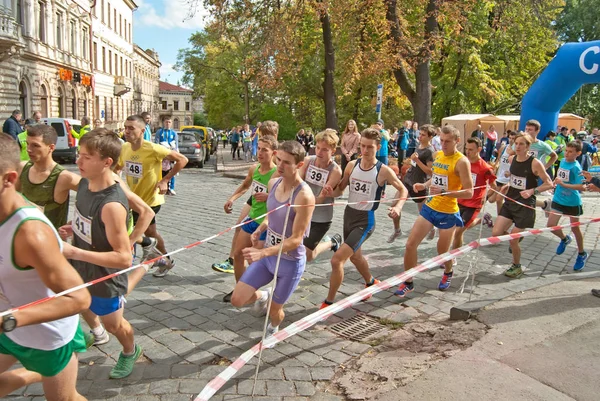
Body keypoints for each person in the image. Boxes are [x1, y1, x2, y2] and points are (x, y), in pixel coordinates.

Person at [0, 133, 91, 400]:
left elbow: (79, 297)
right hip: (10, 330)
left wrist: (10, 319)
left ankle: (44, 370)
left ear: (9, 180)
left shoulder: (30, 234)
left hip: (47, 338)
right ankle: (37, 372)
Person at [59, 129, 142, 379]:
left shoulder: (112, 205)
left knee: (114, 324)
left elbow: (123, 258)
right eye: (79, 154)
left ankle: (130, 351)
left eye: (87, 157)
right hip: (81, 265)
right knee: (75, 303)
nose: (78, 161)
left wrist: (74, 251)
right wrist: (75, 227)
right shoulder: (84, 183)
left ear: (107, 162)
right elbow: (88, 220)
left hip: (105, 276)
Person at [230, 141, 315, 341]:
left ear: (299, 165)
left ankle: (274, 327)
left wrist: (261, 252)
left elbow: (296, 239)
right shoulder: (273, 183)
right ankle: (262, 296)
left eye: (287, 163)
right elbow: (272, 215)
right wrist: (261, 228)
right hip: (269, 258)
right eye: (279, 160)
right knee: (237, 299)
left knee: (276, 312)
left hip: (290, 262)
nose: (281, 166)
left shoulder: (304, 196)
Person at [319, 128, 408, 309]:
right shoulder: (352, 165)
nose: (365, 151)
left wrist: (398, 207)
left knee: (337, 260)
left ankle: (328, 303)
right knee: (355, 257)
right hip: (348, 216)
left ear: (379, 147)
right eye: (362, 146)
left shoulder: (383, 171)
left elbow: (403, 189)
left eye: (370, 147)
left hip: (365, 220)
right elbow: (340, 189)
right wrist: (330, 191)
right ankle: (371, 282)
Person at [396, 125, 474, 297]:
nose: (444, 145)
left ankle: (448, 271)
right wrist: (424, 185)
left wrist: (446, 193)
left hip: (448, 212)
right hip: (430, 208)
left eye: (448, 141)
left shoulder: (461, 161)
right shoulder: (437, 155)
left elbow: (469, 191)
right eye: (442, 141)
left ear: (457, 141)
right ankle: (408, 282)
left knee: (442, 253)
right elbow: (436, 178)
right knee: (410, 245)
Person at [117, 115, 189, 277]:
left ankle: (152, 258)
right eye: (125, 127)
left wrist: (165, 180)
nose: (126, 131)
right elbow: (118, 168)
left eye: (131, 128)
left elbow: (182, 160)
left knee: (133, 230)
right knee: (150, 233)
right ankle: (164, 260)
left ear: (142, 131)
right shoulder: (125, 148)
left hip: (151, 200)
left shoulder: (154, 149)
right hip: (134, 199)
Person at [221, 135, 278, 301]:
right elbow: (245, 185)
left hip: (266, 224)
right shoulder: (254, 168)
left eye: (264, 150)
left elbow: (285, 198)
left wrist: (269, 197)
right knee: (238, 255)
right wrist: (232, 199)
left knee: (255, 262)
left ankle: (260, 294)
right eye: (258, 148)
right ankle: (240, 289)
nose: (260, 152)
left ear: (273, 153)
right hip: (252, 218)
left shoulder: (277, 174)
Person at [491, 133, 553, 278]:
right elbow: (515, 178)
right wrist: (508, 182)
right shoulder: (512, 159)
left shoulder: (534, 163)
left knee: (513, 240)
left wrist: (533, 190)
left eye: (521, 144)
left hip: (525, 204)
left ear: (528, 146)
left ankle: (516, 266)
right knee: (496, 233)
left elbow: (549, 183)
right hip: (510, 201)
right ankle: (516, 238)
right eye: (516, 143)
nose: (517, 147)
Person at [298, 129, 343, 261]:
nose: (319, 152)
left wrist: (304, 199)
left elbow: (320, 200)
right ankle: (332, 243)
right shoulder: (307, 161)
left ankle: (331, 242)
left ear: (333, 151)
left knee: (305, 254)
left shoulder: (335, 170)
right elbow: (298, 183)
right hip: (303, 211)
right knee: (307, 254)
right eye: (317, 148)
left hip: (321, 216)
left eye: (324, 150)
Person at [450, 138, 497, 260]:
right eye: (466, 149)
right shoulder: (462, 162)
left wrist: (485, 198)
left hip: (473, 204)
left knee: (458, 231)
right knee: (456, 229)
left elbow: (494, 187)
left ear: (479, 150)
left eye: (471, 149)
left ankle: (453, 257)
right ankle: (483, 219)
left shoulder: (485, 168)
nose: (468, 152)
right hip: (459, 200)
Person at [389, 124, 436, 243]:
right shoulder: (418, 146)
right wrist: (411, 162)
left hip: (419, 185)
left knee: (423, 214)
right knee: (395, 205)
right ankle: (397, 229)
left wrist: (417, 161)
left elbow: (430, 172)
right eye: (419, 134)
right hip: (408, 182)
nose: (420, 136)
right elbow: (415, 163)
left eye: (423, 135)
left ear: (430, 137)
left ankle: (431, 228)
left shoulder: (430, 151)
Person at [547, 140, 587, 270]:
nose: (567, 154)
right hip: (558, 199)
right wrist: (554, 182)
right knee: (551, 225)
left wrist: (564, 185)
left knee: (575, 228)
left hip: (572, 202)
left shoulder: (576, 167)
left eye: (570, 152)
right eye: (566, 151)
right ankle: (564, 239)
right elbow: (560, 177)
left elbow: (583, 186)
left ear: (578, 153)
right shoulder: (563, 162)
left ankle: (581, 253)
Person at [488, 130, 517, 216]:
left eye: (513, 138)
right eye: (510, 138)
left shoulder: (517, 150)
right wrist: (495, 166)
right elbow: (499, 159)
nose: (511, 140)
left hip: (508, 180)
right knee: (491, 199)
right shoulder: (504, 147)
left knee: (499, 199)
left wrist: (511, 173)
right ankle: (505, 213)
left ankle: (500, 217)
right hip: (500, 177)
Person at [154, 117, 179, 195]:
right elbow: (156, 143)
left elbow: (176, 145)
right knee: (161, 171)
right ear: (163, 123)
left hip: (171, 154)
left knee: (172, 171)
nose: (168, 124)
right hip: (162, 155)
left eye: (169, 122)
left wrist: (174, 151)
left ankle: (171, 188)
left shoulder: (174, 133)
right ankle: (160, 186)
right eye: (166, 122)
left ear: (171, 123)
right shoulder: (159, 132)